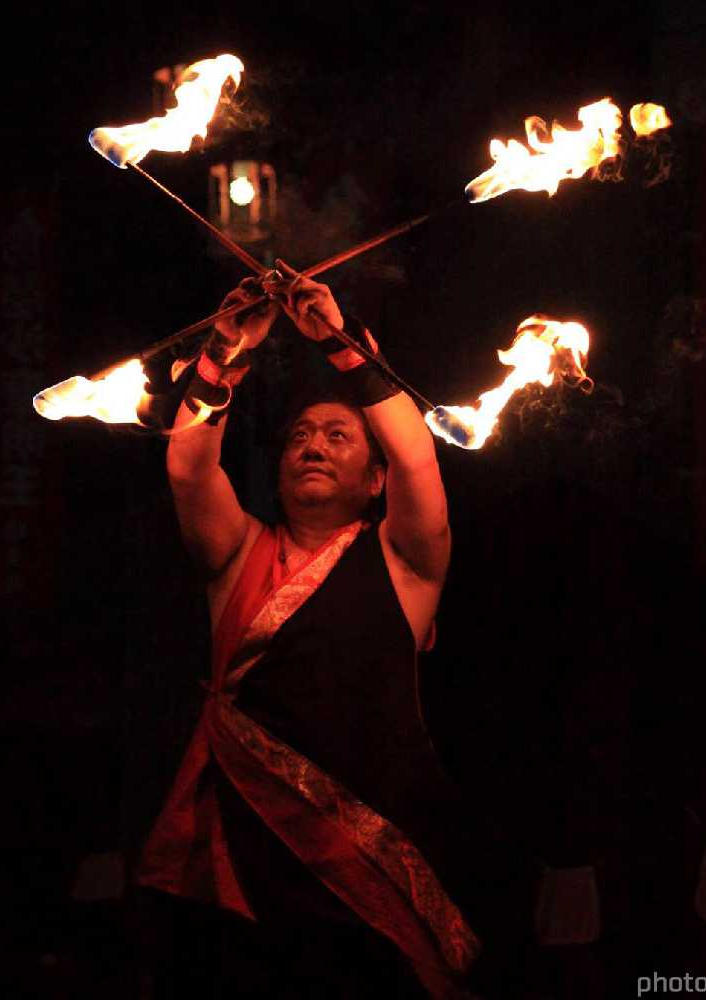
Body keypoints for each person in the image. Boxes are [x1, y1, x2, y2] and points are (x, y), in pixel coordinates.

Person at [136, 261, 481, 999]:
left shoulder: (405, 563)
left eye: (337, 436)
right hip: (243, 866)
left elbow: (419, 454)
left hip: (372, 869)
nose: (314, 445)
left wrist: (342, 345)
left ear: (374, 480)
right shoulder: (240, 554)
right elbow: (189, 465)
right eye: (300, 436)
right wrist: (224, 352)